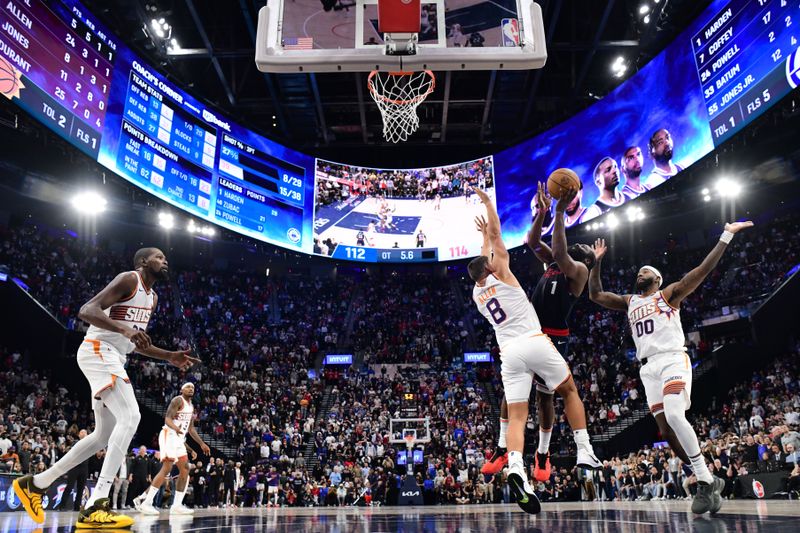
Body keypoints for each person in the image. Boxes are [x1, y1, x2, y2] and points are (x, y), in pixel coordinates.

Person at [13, 247, 199, 529]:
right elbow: (87, 310)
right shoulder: (129, 279)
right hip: (99, 349)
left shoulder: (153, 298)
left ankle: (36, 484)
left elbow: (136, 342)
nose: (165, 261)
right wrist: (124, 330)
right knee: (132, 417)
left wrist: (169, 356)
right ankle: (96, 503)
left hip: (115, 356)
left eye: (165, 257)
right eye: (159, 257)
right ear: (143, 262)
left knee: (102, 436)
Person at [587, 219, 754, 514]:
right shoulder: (629, 302)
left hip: (672, 359)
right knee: (665, 431)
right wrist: (596, 264)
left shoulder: (668, 295)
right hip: (647, 369)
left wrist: (726, 235)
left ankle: (704, 479)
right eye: (639, 271)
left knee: (676, 415)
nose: (640, 272)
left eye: (646, 271)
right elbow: (596, 295)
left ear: (657, 280)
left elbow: (703, 270)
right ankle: (707, 480)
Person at [468, 187, 600, 514]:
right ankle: (583, 449)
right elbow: (510, 241)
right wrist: (489, 206)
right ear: (491, 266)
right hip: (535, 337)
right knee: (567, 390)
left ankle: (518, 463)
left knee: (520, 412)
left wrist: (485, 240)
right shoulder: (507, 273)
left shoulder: (477, 292)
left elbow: (491, 254)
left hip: (512, 348)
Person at [135, 382, 210, 515]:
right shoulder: (177, 400)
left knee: (185, 468)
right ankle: (145, 503)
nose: (190, 389)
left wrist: (201, 444)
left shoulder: (191, 406)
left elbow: (191, 429)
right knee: (167, 468)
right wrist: (175, 428)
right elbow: (167, 419)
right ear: (182, 389)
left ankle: (176, 505)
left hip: (179, 439)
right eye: (188, 387)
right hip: (168, 435)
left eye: (192, 387)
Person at [583, 157, 625, 221]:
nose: (615, 171)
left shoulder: (629, 195)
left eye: (615, 166)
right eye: (608, 170)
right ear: (598, 182)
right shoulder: (594, 212)